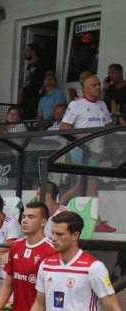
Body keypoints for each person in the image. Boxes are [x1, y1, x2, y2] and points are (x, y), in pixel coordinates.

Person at [58, 74, 115, 232]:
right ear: (85, 89)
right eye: (94, 85)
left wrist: (113, 145)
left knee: (78, 187)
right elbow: (64, 127)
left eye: (99, 84)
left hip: (96, 152)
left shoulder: (103, 104)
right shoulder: (76, 104)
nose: (98, 87)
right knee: (92, 185)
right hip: (81, 150)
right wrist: (85, 138)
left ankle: (57, 210)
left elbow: (108, 126)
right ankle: (96, 221)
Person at [20, 43, 47, 120]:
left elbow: (49, 75)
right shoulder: (29, 66)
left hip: (34, 98)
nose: (25, 52)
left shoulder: (42, 63)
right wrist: (21, 97)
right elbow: (27, 81)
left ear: (33, 51)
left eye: (27, 50)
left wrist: (42, 89)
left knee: (30, 119)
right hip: (25, 98)